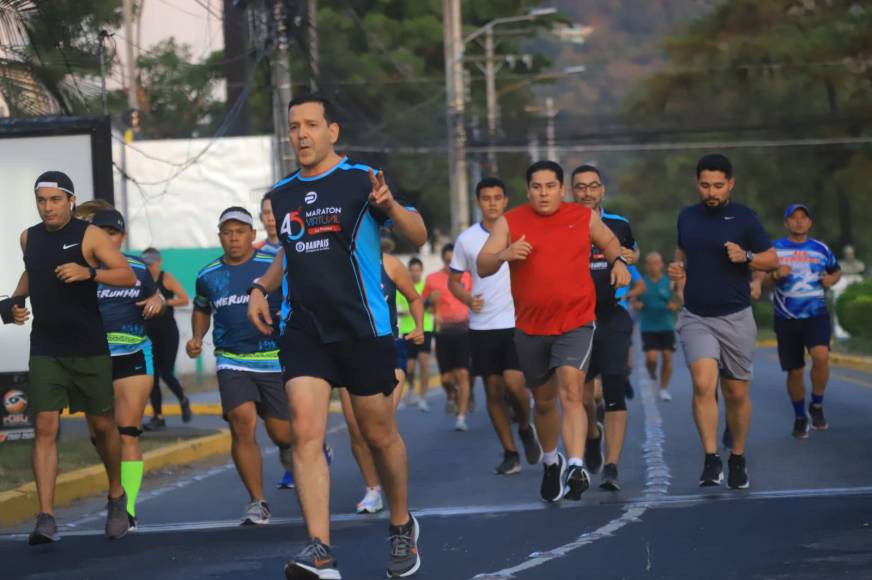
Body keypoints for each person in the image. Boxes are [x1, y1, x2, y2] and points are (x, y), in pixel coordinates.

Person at [247, 94, 426, 579]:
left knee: (378, 434)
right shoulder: (281, 194)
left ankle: (400, 524)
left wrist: (391, 207)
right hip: (304, 328)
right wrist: (262, 286)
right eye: (293, 127)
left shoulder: (362, 181)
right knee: (306, 434)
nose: (301, 135)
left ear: (333, 131)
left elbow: (419, 234)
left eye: (310, 125)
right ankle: (320, 550)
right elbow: (291, 252)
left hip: (362, 327)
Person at [477, 160, 630, 503]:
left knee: (572, 392)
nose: (543, 193)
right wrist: (504, 253)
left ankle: (575, 465)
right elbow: (482, 266)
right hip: (531, 327)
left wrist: (617, 262)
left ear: (561, 189)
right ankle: (551, 461)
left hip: (575, 321)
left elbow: (609, 241)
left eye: (550, 186)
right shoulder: (511, 221)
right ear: (528, 190)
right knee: (543, 402)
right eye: (536, 187)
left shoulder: (582, 216)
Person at [11, 171, 135, 544]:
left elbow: (127, 276)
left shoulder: (89, 235)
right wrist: (14, 304)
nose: (47, 207)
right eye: (41, 201)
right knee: (45, 427)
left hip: (88, 347)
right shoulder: (28, 237)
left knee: (102, 427)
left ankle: (116, 495)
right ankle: (46, 517)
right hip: (46, 348)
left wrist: (89, 272)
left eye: (54, 200)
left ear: (69, 199)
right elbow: (31, 275)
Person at [668, 153, 778, 490]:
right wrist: (677, 272)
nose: (711, 192)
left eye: (718, 185)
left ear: (730, 183)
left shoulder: (745, 218)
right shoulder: (687, 217)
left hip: (735, 316)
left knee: (735, 393)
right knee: (703, 384)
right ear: (697, 184)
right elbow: (682, 253)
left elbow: (772, 258)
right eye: (705, 185)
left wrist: (746, 256)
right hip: (697, 316)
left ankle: (738, 458)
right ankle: (711, 459)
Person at [187, 206, 294, 526]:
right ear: (220, 236)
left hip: (273, 359)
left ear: (252, 235)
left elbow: (294, 301)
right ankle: (257, 502)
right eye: (227, 232)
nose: (233, 238)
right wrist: (196, 337)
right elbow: (201, 308)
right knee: (241, 420)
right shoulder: (208, 276)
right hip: (231, 359)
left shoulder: (271, 266)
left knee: (281, 433)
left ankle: (298, 447)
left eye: (239, 231)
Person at [449, 177, 542, 474]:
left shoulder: (520, 232)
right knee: (492, 388)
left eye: (497, 197)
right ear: (478, 202)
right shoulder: (466, 240)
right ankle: (510, 451)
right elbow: (454, 280)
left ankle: (526, 427)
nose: (491, 202)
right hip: (482, 325)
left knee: (515, 384)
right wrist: (466, 298)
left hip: (516, 321)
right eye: (486, 198)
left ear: (506, 201)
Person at [87, 208, 166, 527]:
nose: (108, 237)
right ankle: (115, 488)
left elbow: (155, 298)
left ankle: (127, 508)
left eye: (114, 232)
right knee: (100, 434)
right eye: (101, 231)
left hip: (133, 353)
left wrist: (158, 303)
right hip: (92, 357)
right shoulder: (80, 270)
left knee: (128, 432)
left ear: (122, 236)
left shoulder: (137, 268)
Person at [572, 164, 643, 491]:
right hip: (575, 319)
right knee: (582, 396)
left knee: (614, 383)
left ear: (602, 190)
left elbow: (633, 251)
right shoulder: (561, 223)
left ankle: (612, 465)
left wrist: (628, 257)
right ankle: (592, 434)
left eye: (593, 186)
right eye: (581, 187)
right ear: (572, 192)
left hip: (612, 315)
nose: (587, 192)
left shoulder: (619, 224)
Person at [341, 240, 425, 514]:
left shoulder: (389, 264)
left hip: (388, 349)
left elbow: (414, 297)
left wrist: (420, 327)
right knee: (355, 426)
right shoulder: (338, 263)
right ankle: (372, 489)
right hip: (347, 351)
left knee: (381, 424)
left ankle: (395, 490)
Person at [766, 204, 841, 438]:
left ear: (810, 223)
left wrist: (831, 279)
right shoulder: (774, 250)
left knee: (821, 356)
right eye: (794, 218)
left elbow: (836, 271)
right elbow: (762, 281)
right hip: (786, 317)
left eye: (803, 218)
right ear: (786, 223)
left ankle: (816, 405)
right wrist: (776, 275)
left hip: (816, 314)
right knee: (795, 371)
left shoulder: (821, 249)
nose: (799, 222)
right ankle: (800, 416)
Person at [140, 247, 192, 431]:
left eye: (152, 264)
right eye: (146, 264)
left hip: (168, 332)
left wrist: (164, 302)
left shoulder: (166, 278)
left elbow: (184, 299)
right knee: (151, 376)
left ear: (159, 262)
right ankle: (158, 416)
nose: (149, 267)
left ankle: (183, 399)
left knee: (166, 373)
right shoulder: (142, 281)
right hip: (149, 332)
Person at [424, 244, 473, 431]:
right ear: (442, 259)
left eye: (453, 260)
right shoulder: (432, 279)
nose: (450, 263)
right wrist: (430, 301)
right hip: (443, 332)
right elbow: (423, 304)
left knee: (462, 373)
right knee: (445, 379)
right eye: (447, 260)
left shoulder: (468, 277)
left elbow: (477, 297)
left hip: (463, 330)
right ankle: (451, 394)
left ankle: (461, 417)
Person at [636, 251, 680, 402]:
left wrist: (675, 304)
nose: (654, 266)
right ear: (646, 266)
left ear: (661, 264)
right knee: (652, 359)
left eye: (656, 263)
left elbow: (679, 298)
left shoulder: (669, 282)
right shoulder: (641, 283)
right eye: (650, 263)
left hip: (666, 325)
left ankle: (663, 389)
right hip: (648, 326)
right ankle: (653, 374)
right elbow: (633, 300)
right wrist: (637, 304)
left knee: (667, 357)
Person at [398, 257, 435, 411]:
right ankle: (411, 389)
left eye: (417, 270)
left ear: (421, 270)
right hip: (407, 330)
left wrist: (426, 308)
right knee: (409, 367)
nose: (415, 273)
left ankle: (423, 398)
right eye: (412, 270)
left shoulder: (427, 287)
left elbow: (433, 307)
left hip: (425, 328)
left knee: (424, 363)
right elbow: (398, 308)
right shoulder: (403, 286)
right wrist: (404, 311)